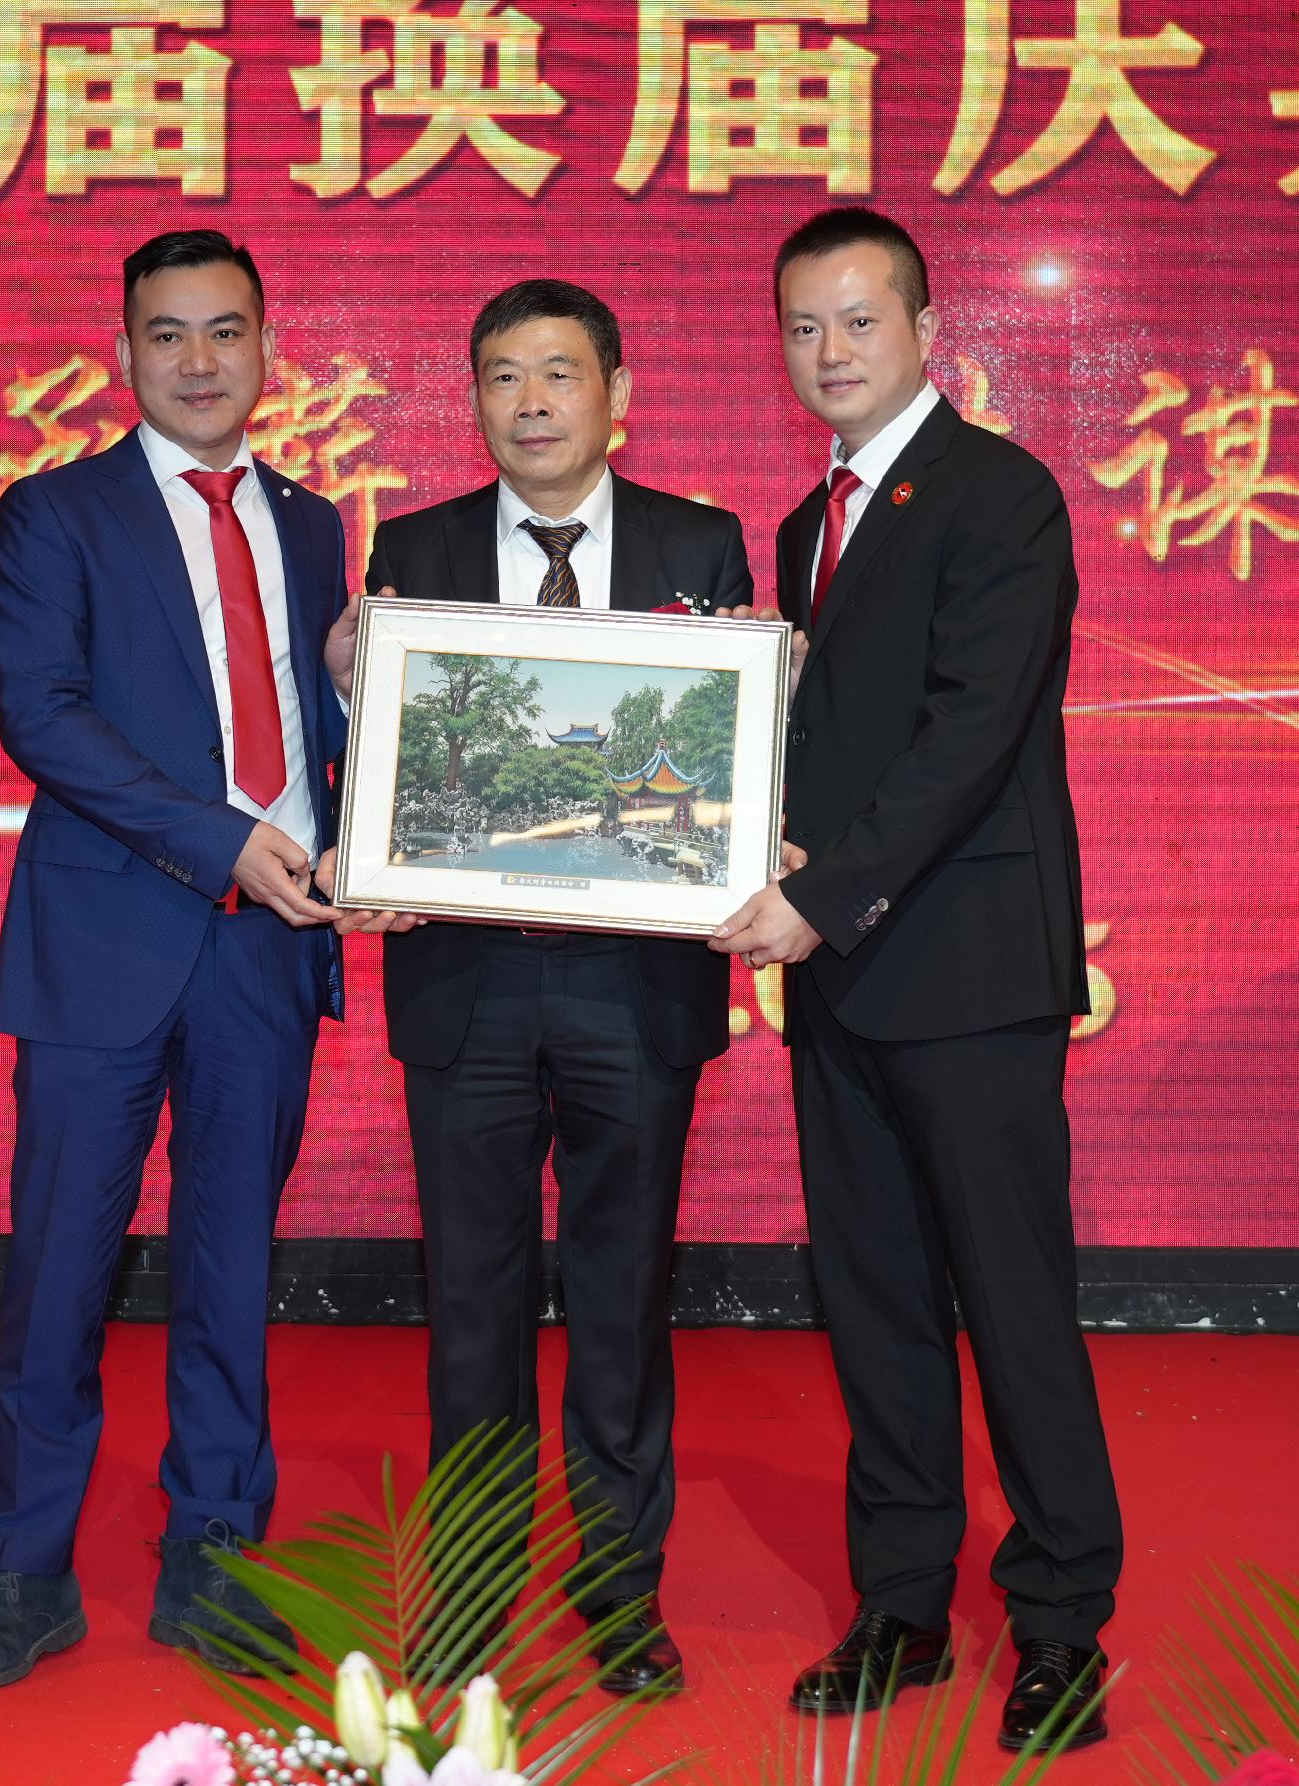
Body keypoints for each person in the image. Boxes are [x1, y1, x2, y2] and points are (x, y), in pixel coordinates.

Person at [711, 208, 1122, 1749]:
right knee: (874, 1300)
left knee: (1013, 1305)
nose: (829, 351)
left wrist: (820, 897)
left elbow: (968, 735)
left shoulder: (1002, 494)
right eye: (802, 327)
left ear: (926, 328)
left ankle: (1062, 1621)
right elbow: (828, 741)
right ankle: (902, 1603)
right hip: (844, 984)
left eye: (858, 320)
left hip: (966, 974)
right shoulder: (802, 525)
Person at [0, 230, 349, 1691]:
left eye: (226, 330)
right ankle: (26, 1572)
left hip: (267, 953)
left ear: (267, 347)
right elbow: (42, 717)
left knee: (233, 1272)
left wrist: (382, 837)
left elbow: (322, 725)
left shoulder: (315, 524)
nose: (199, 361)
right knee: (60, 1273)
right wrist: (225, 840)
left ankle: (214, 1558)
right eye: (167, 334)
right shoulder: (54, 513)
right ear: (124, 354)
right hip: (104, 943)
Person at [327, 278, 752, 1694]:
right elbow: (390, 757)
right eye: (503, 376)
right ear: (475, 400)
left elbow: (739, 752)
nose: (531, 403)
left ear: (616, 393)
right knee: (474, 1302)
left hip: (640, 988)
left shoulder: (701, 544)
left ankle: (621, 1589)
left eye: (560, 374)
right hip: (470, 984)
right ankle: (468, 1593)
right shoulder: (418, 546)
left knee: (625, 1298)